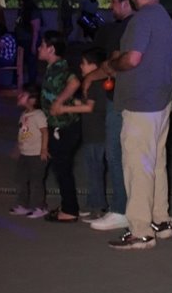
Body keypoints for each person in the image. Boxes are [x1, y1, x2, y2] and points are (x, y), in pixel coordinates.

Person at [105, 0, 172, 250]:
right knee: (156, 164)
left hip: (140, 104)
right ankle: (161, 221)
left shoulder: (143, 18)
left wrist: (113, 65)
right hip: (160, 100)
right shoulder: (165, 18)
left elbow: (132, 59)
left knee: (137, 167)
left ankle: (141, 231)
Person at [88, 0, 136, 232]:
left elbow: (115, 62)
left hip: (121, 99)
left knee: (116, 154)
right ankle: (126, 207)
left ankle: (121, 209)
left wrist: (90, 76)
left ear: (125, 2)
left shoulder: (127, 27)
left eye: (113, 2)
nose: (110, 7)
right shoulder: (132, 25)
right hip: (127, 97)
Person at [57, 47, 110, 220]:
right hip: (93, 133)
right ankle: (93, 203)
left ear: (95, 65)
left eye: (84, 63)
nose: (81, 66)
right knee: (93, 169)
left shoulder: (95, 83)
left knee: (95, 170)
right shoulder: (94, 83)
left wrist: (64, 107)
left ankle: (98, 207)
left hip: (96, 134)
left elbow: (89, 107)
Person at [41, 30, 83, 222]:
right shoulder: (53, 67)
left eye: (42, 45)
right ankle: (68, 205)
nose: (39, 49)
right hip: (59, 126)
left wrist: (59, 101)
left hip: (64, 127)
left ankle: (69, 210)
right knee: (61, 168)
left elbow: (74, 83)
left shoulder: (60, 67)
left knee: (62, 168)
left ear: (50, 49)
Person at [9, 84, 49, 217]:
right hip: (24, 154)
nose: (19, 96)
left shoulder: (38, 114)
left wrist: (44, 149)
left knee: (36, 181)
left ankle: (40, 207)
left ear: (32, 99)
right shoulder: (23, 114)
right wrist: (17, 148)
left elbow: (44, 132)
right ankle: (22, 204)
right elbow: (22, 133)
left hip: (36, 154)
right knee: (21, 179)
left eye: (23, 95)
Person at [16, 0, 43, 85]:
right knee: (21, 62)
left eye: (21, 3)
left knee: (31, 62)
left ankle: (32, 83)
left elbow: (36, 29)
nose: (20, 5)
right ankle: (22, 82)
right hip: (22, 40)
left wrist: (33, 44)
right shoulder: (21, 11)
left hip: (29, 40)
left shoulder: (33, 12)